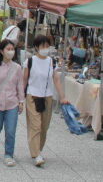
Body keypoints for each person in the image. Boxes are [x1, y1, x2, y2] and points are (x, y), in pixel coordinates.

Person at [23, 35, 69, 167]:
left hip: (47, 97)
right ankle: (36, 154)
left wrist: (62, 97)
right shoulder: (30, 61)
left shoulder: (52, 62)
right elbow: (24, 80)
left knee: (44, 126)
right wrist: (20, 97)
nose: (45, 48)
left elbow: (56, 80)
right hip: (32, 96)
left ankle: (38, 149)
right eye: (43, 46)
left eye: (47, 46)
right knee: (35, 125)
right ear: (36, 47)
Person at [0, 41, 25, 168]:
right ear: (2, 51)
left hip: (12, 103)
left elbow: (20, 85)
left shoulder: (17, 67)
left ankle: (9, 155)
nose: (10, 51)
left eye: (12, 49)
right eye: (8, 49)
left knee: (10, 130)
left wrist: (21, 101)